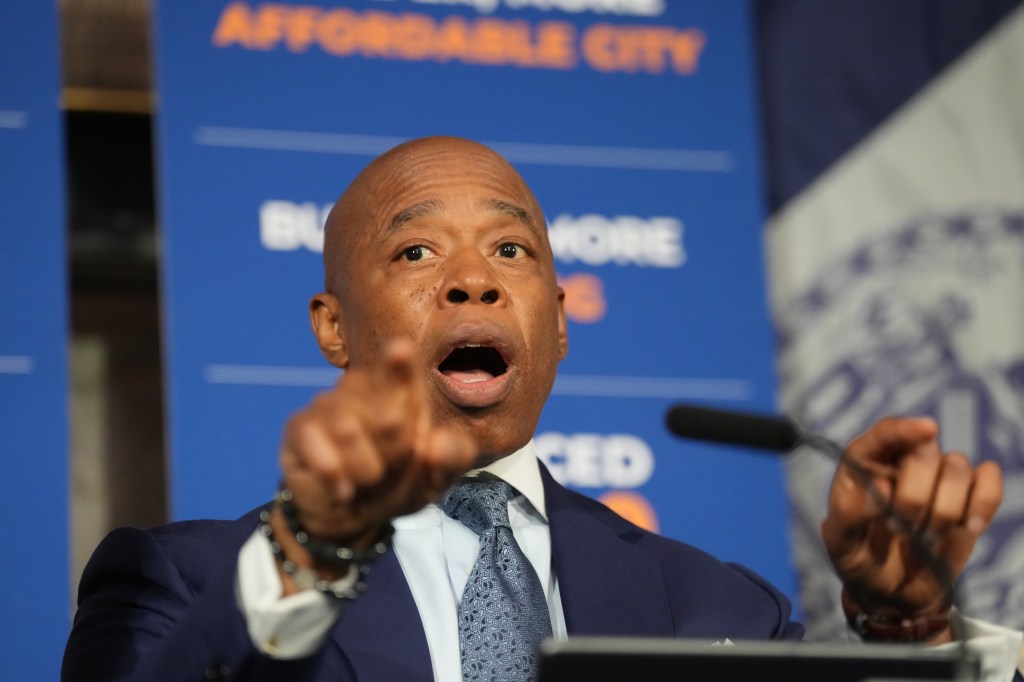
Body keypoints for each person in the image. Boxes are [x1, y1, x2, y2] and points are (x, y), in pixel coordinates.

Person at [63, 136, 1020, 681]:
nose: (475, 282)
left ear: (558, 324)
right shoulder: (182, 580)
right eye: (416, 253)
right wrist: (307, 558)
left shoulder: (722, 608)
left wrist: (909, 630)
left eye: (512, 252)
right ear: (334, 328)